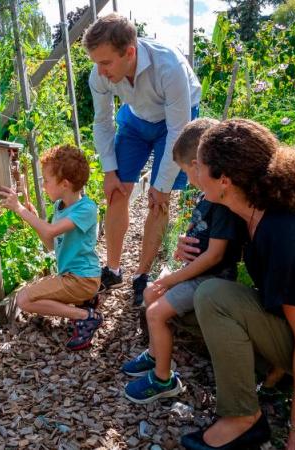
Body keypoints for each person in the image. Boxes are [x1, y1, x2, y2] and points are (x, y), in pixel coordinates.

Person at [175, 119, 295, 450]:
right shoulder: (249, 210)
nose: (194, 175)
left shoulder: (282, 231)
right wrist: (190, 248)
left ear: (224, 179)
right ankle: (276, 373)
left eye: (201, 166)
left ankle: (243, 419)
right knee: (187, 306)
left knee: (212, 297)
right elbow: (214, 256)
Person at [121, 118, 247, 404]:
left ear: (198, 164)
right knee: (151, 292)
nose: (188, 180)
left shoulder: (222, 203)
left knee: (155, 311)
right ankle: (155, 354)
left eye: (187, 172)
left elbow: (215, 255)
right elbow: (199, 238)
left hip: (213, 281)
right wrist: (181, 252)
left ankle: (164, 379)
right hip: (195, 274)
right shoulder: (207, 195)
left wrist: (173, 277)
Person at [83, 13, 202, 306]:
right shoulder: (98, 75)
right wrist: (110, 171)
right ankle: (112, 269)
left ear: (130, 52)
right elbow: (103, 123)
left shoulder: (168, 66)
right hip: (136, 120)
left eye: (106, 62)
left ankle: (142, 275)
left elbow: (177, 129)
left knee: (160, 199)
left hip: (175, 122)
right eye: (96, 62)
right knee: (115, 191)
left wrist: (161, 183)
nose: (100, 70)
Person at [0, 145, 103, 351]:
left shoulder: (86, 209)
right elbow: (52, 243)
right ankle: (85, 302)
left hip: (83, 279)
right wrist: (33, 218)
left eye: (46, 181)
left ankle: (86, 316)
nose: (43, 186)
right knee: (31, 295)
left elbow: (52, 231)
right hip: (72, 277)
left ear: (64, 184)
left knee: (24, 300)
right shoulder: (59, 207)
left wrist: (19, 209)